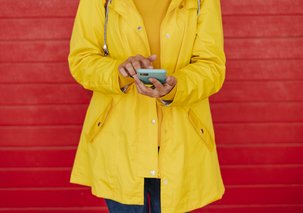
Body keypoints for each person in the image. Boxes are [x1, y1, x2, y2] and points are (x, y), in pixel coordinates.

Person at [68, 0, 226, 212]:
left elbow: (212, 67)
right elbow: (82, 60)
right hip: (120, 147)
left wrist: (174, 89)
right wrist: (120, 72)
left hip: (180, 147)